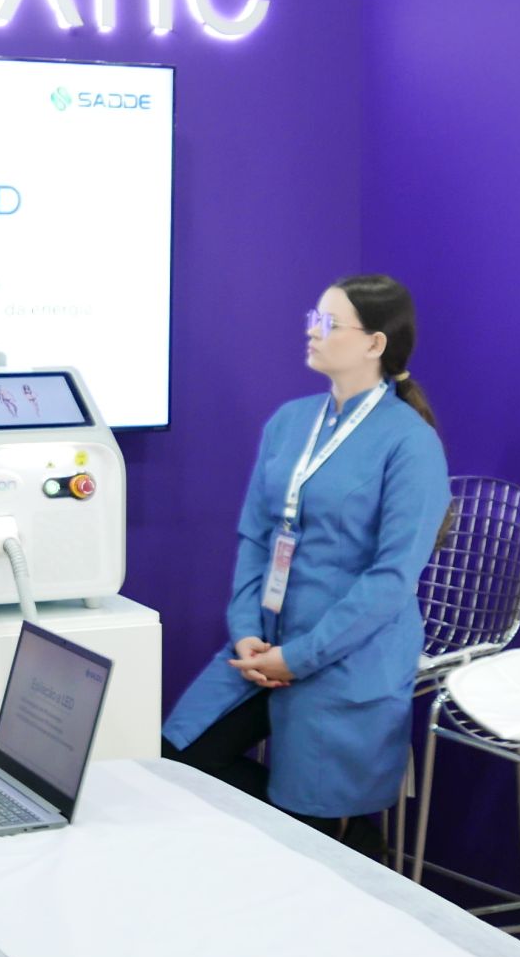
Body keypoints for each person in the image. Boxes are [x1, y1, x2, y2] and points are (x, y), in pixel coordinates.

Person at [162, 275, 450, 852]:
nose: (312, 332)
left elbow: (392, 579)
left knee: (310, 822)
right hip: (264, 644)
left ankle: (341, 840)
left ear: (374, 344)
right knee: (176, 755)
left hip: (346, 656)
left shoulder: (410, 443)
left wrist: (300, 657)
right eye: (312, 318)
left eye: (329, 323)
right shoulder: (290, 422)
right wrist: (246, 630)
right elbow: (256, 535)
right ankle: (325, 835)